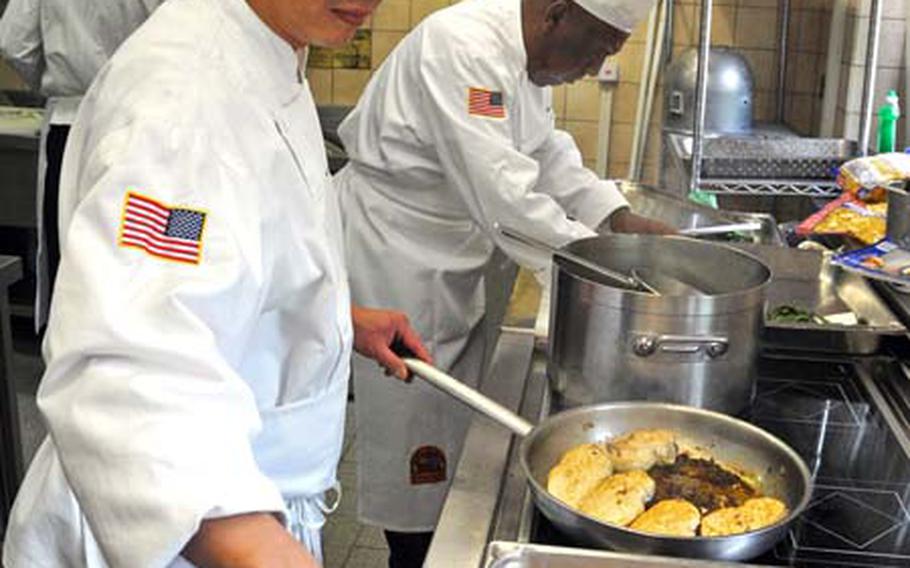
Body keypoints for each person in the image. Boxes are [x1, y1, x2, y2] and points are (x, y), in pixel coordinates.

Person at [1, 0, 431, 565]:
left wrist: (335, 320)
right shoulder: (183, 100)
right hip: (180, 526)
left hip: (245, 507)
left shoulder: (270, 49)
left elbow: (218, 252)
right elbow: (131, 375)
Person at [334, 0, 670, 564]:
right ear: (557, 14)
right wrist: (608, 266)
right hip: (400, 256)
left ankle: (433, 531)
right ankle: (415, 552)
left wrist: (615, 218)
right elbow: (504, 195)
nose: (593, 67)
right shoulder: (464, 48)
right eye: (596, 48)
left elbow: (542, 152)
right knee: (415, 426)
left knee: (448, 425)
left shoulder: (523, 60)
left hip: (452, 254)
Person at [0, 0, 169, 331]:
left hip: (68, 125)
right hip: (141, 126)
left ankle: (66, 360)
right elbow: (181, 43)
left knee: (68, 259)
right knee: (140, 257)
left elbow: (14, 42)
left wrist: (62, 86)